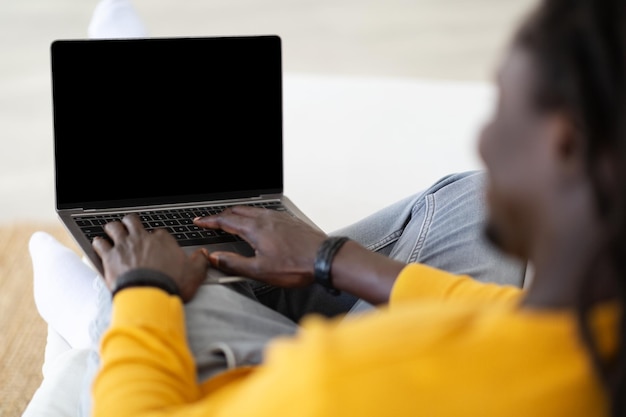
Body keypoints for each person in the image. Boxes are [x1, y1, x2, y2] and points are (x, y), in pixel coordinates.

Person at [84, 0, 626, 415]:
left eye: (503, 109)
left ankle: (100, 308)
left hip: (271, 389)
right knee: (472, 208)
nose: (486, 137)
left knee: (172, 295)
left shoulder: (338, 377)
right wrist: (328, 257)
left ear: (565, 143)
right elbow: (504, 315)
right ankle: (259, 291)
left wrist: (143, 292)